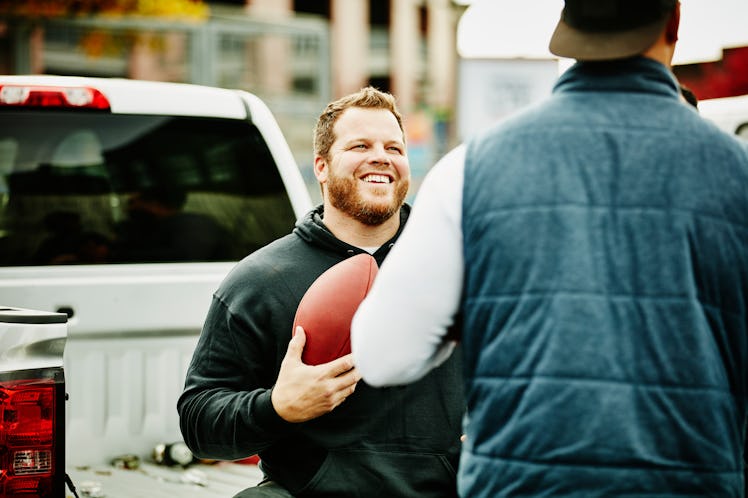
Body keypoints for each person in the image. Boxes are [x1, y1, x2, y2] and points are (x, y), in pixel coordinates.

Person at [351, 1, 748, 496]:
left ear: (567, 30)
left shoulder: (470, 170)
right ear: (674, 22)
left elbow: (384, 355)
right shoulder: (736, 171)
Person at [177, 87, 464, 497]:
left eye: (393, 148)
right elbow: (199, 423)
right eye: (360, 145)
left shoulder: (459, 269)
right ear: (322, 167)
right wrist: (277, 406)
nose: (381, 156)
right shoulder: (261, 280)